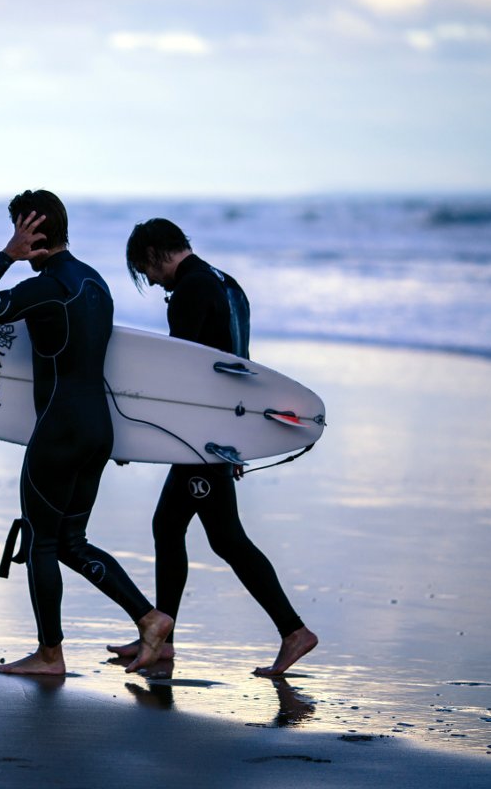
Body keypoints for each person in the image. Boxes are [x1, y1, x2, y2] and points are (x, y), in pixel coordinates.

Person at [0, 190, 173, 676]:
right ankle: (150, 617)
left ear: (30, 233)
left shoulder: (48, 286)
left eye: (18, 230)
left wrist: (6, 258)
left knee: (42, 543)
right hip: (98, 429)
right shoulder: (95, 283)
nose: (14, 239)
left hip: (59, 430)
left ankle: (50, 654)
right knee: (72, 541)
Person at [108, 218, 318, 677]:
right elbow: (239, 364)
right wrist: (238, 439)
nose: (150, 280)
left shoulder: (190, 291)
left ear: (154, 254)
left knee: (226, 538)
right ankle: (161, 638)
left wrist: (135, 437)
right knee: (170, 526)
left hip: (201, 438)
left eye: (145, 271)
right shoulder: (227, 284)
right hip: (220, 432)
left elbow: (180, 377)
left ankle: (293, 630)